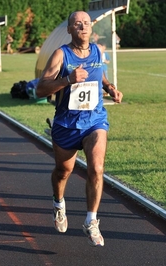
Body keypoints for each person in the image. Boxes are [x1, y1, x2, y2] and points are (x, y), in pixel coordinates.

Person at [36, 11, 123, 247]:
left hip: (95, 120)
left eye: (86, 23)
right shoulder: (60, 55)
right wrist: (67, 80)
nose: (83, 27)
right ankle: (58, 203)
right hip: (67, 124)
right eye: (77, 24)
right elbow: (40, 90)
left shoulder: (97, 51)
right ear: (70, 29)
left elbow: (100, 77)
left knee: (96, 167)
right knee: (63, 171)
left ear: (91, 29)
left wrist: (111, 88)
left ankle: (91, 221)